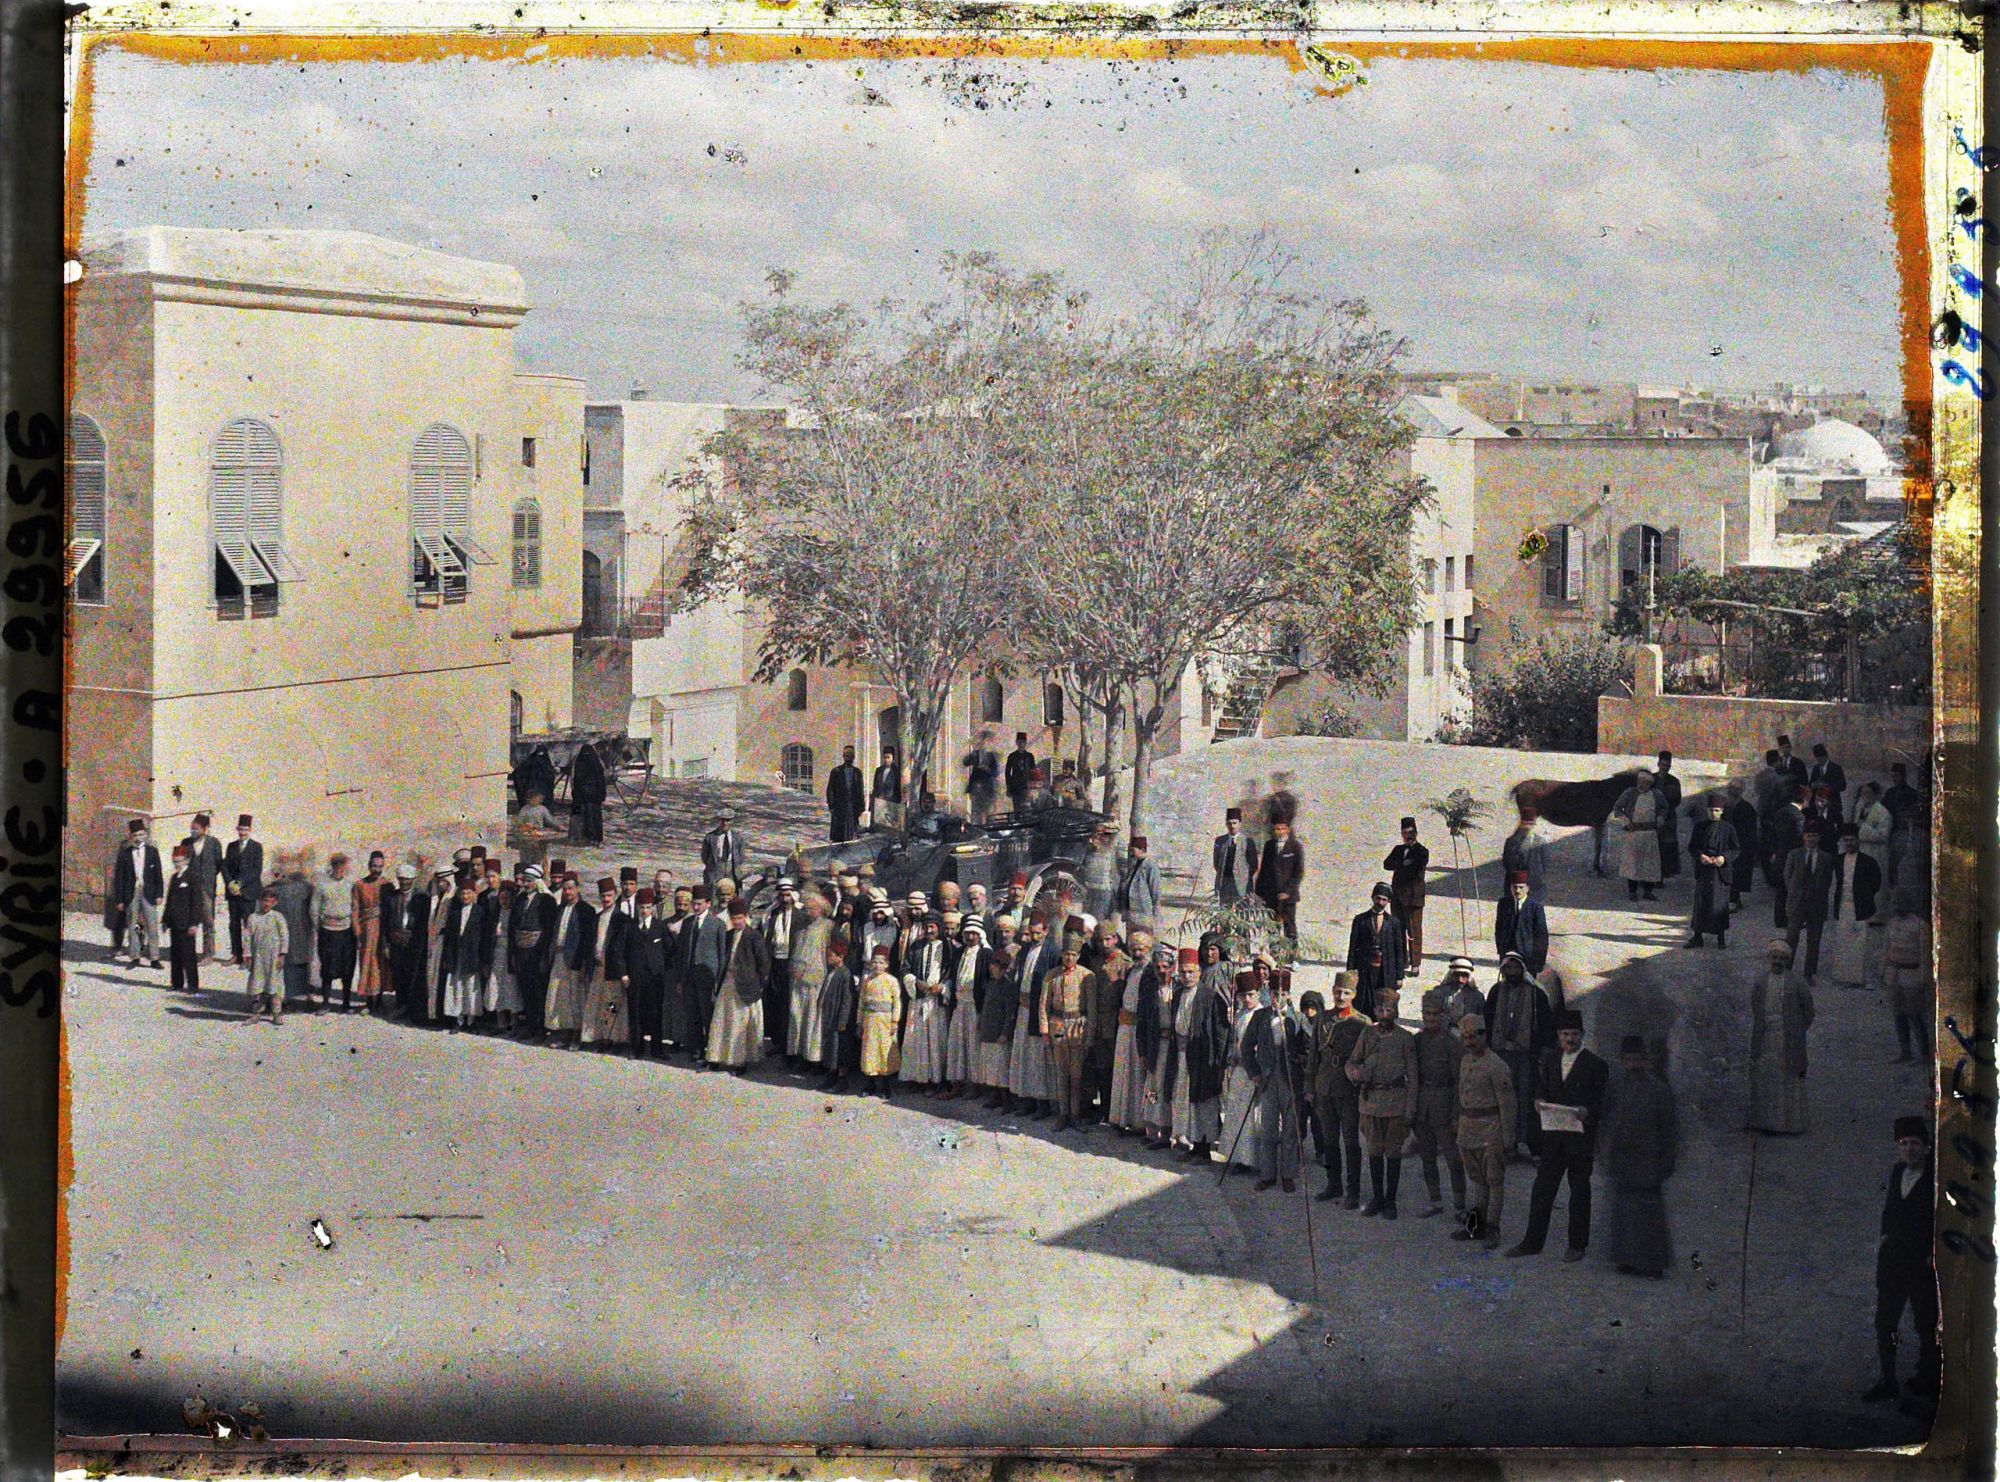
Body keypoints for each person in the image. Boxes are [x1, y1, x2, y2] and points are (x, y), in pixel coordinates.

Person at [1506, 1009, 1608, 1261]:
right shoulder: (1551, 1060)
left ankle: (1577, 1245)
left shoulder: (1596, 1065)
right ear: (1558, 1036)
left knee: (1579, 1193)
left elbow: (1601, 1103)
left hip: (1579, 1140)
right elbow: (1542, 1088)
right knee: (1542, 1190)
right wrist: (1538, 1101)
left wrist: (1588, 1112)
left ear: (1582, 1035)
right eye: (1565, 1034)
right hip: (1553, 1138)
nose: (1569, 1039)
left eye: (1574, 1034)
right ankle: (1532, 1242)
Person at [1866, 1116, 1939, 1402]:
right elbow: (1890, 1211)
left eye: (1915, 1144)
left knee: (1925, 1325)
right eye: (1904, 1144)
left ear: (1926, 1147)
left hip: (1920, 1268)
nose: (1909, 1149)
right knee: (1887, 1324)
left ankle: (1928, 1379)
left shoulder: (1935, 1178)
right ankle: (1889, 1378)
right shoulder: (1897, 1173)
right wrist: (1885, 1237)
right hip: (1893, 1265)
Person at [1599, 1035, 1678, 1278]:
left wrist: (1666, 1162)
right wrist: (1606, 1152)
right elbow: (1606, 1119)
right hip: (1623, 1157)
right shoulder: (1616, 1086)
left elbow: (1669, 1130)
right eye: (1628, 1059)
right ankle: (1626, 1259)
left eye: (1638, 1059)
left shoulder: (1659, 1090)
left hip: (1649, 1159)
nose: (1633, 1064)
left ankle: (1653, 1264)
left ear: (1646, 1061)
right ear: (1623, 1061)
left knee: (1649, 1214)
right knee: (1624, 1212)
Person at [1347, 985, 1420, 1217]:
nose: (1384, 1014)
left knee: (1393, 1153)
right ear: (1375, 1012)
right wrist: (1354, 1073)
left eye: (1389, 1009)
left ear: (1396, 1011)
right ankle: (1377, 1198)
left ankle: (1390, 1200)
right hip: (1371, 1103)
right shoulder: (1367, 1034)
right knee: (1375, 1152)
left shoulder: (1405, 1038)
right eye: (1380, 1010)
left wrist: (1410, 1110)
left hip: (1395, 1104)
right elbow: (1352, 1061)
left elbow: (1413, 1078)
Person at [1484, 952, 1555, 1158]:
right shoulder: (1496, 991)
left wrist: (1543, 1051)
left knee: (1528, 1099)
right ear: (1503, 970)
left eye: (1516, 968)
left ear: (1522, 970)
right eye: (1508, 969)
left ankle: (1534, 1147)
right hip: (1502, 1055)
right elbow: (1488, 1021)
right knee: (1504, 1100)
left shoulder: (1535, 995)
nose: (1512, 972)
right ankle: (1508, 1145)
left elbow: (1546, 1025)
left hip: (1527, 1057)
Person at [1454, 1015, 1515, 1248]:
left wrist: (1508, 1139)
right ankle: (1474, 1227)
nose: (1469, 1042)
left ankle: (1493, 1228)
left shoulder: (1496, 1066)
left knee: (1494, 1181)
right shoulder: (1465, 1061)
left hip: (1491, 1131)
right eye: (1465, 1037)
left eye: (1473, 1037)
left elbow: (1508, 1104)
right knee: (1477, 1181)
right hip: (1468, 1131)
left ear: (1484, 1035)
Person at [1245, 970, 1308, 1193]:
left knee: (1291, 1131)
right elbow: (1246, 1046)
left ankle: (1288, 1175)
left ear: (1289, 995)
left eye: (1282, 994)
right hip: (1268, 1081)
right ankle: (1268, 1174)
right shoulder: (1261, 1017)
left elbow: (1309, 1047)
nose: (1277, 998)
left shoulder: (1298, 1018)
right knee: (1268, 1130)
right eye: (1274, 993)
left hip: (1291, 1081)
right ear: (1268, 994)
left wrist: (1301, 1058)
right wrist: (1253, 1071)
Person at [1748, 939, 1815, 1134]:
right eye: (1774, 957)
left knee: (1789, 1079)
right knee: (1767, 1078)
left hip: (1789, 1039)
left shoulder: (1796, 982)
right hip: (1767, 1038)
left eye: (1781, 958)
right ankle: (1766, 1123)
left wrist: (1797, 1031)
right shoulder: (1761, 982)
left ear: (1787, 961)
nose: (1777, 961)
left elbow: (1808, 1011)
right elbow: (1756, 1008)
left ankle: (1789, 1125)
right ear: (1768, 959)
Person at [1172, 946, 1230, 1161]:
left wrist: (1218, 1062)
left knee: (1205, 1102)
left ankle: (1205, 1150)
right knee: (1190, 1101)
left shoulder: (1210, 996)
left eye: (1191, 972)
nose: (1187, 976)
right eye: (1183, 972)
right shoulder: (1178, 995)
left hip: (1204, 1058)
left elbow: (1221, 1032)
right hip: (1183, 1053)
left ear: (1199, 972)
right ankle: (1195, 1146)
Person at [1412, 998, 1466, 1220]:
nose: (1431, 1018)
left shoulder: (1452, 1043)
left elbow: (1458, 1081)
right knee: (1427, 1157)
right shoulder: (1417, 1041)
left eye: (1436, 1014)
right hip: (1422, 1105)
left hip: (1444, 1105)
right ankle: (1435, 1200)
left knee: (1454, 1159)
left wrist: (1456, 1115)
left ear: (1444, 1015)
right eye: (1427, 1014)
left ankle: (1460, 1205)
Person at [1039, 932, 1095, 1131]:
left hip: (1078, 1027)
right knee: (1061, 1072)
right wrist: (1045, 1031)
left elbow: (1092, 1009)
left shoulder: (1087, 976)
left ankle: (1075, 1115)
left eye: (1073, 954)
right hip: (1059, 1027)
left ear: (1078, 955)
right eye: (1066, 954)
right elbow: (1043, 1004)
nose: (1069, 958)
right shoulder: (1051, 975)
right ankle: (1063, 1115)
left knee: (1076, 1074)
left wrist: (1089, 1036)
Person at [707, 897, 770, 1074]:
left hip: (746, 986)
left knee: (739, 1024)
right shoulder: (728, 935)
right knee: (722, 1021)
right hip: (728, 983)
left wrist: (758, 984)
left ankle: (739, 1061)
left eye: (740, 918)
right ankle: (717, 1057)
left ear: (746, 917)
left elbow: (764, 964)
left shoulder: (754, 936)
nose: (737, 921)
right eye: (734, 918)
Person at [1008, 915, 1058, 1118]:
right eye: (1031, 933)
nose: (1035, 937)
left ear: (1046, 930)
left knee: (1039, 1059)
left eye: (1038, 933)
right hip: (1023, 1010)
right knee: (1024, 1056)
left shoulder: (1052, 952)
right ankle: (1026, 1100)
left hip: (1039, 1013)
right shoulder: (1025, 950)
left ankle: (1042, 1104)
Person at [1104, 928, 1153, 1133]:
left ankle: (1139, 1123)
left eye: (1140, 949)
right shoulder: (1132, 970)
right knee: (1123, 1073)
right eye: (1133, 949)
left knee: (1137, 1076)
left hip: (1138, 1030)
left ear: (1148, 949)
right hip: (1125, 1028)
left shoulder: (1151, 972)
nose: (1136, 953)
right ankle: (1120, 1118)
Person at [1138, 942, 1185, 1149]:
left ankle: (1170, 1132)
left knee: (1171, 1089)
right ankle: (1154, 1131)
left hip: (1174, 1049)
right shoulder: (1149, 991)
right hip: (1156, 1048)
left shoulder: (1180, 991)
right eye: (1157, 968)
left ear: (1172, 968)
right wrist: (1142, 1051)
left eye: (1165, 968)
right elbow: (1142, 1023)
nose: (1161, 972)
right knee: (1154, 1089)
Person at [900, 913, 953, 1093]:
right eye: (926, 927)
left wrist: (943, 987)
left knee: (937, 1041)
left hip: (936, 1002)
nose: (929, 930)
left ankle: (937, 1080)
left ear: (938, 927)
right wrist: (916, 981)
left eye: (933, 926)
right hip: (919, 1000)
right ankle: (920, 1079)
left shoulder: (947, 948)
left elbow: (952, 973)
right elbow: (905, 969)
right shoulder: (916, 946)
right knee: (918, 1040)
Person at [1082, 922, 1129, 1120]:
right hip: (1095, 1020)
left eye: (1108, 939)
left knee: (1111, 1067)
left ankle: (1110, 1109)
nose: (1104, 943)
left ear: (1116, 939)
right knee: (1096, 1065)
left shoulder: (1124, 963)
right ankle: (1095, 1106)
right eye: (1100, 940)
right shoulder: (1094, 962)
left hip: (1114, 1022)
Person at [1829, 824, 1884, 991]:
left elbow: (1876, 883)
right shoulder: (1838, 861)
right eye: (1846, 841)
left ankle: (1863, 978)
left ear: (1858, 841)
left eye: (1852, 840)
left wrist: (1864, 897)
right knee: (1844, 942)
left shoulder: (1868, 861)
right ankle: (1845, 977)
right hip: (1843, 906)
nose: (1849, 843)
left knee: (1861, 944)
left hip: (1861, 907)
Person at [543, 874, 596, 1050]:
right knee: (559, 997)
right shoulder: (560, 909)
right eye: (565, 889)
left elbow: (587, 941)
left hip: (575, 960)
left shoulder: (586, 910)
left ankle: (576, 1036)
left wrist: (583, 965)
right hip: (558, 957)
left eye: (571, 888)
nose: (567, 892)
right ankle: (563, 1033)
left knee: (575, 998)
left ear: (577, 888)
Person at [678, 885, 729, 1062]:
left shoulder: (717, 925)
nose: (696, 907)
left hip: (708, 978)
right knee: (692, 1015)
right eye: (694, 904)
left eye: (699, 904)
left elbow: (722, 955)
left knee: (708, 1015)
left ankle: (711, 1050)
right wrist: (681, 978)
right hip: (689, 977)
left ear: (708, 903)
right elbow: (681, 952)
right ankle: (696, 1048)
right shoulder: (687, 923)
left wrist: (718, 981)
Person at [1881, 890, 1932, 1065]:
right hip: (1895, 974)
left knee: (1916, 1016)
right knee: (1899, 1015)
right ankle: (1905, 1051)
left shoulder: (1920, 926)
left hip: (1913, 975)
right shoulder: (1892, 924)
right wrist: (1883, 971)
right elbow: (1887, 949)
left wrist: (1925, 978)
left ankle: (1925, 1055)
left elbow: (1926, 955)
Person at [1782, 819, 1837, 983]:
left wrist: (1817, 895)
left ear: (1819, 838)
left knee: (1814, 939)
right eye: (1808, 836)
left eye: (1814, 836)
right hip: (1797, 902)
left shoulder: (1826, 858)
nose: (1811, 839)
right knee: (1791, 937)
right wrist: (1794, 892)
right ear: (1803, 837)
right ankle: (1786, 969)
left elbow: (1827, 882)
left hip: (1816, 903)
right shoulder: (1794, 854)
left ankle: (1809, 973)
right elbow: (1787, 876)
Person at [786, 888, 835, 1070]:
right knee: (796, 1016)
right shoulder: (801, 927)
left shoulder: (828, 927)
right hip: (797, 979)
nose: (808, 912)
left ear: (821, 909)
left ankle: (813, 1058)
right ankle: (797, 1053)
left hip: (816, 978)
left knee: (812, 1019)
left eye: (812, 908)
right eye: (806, 908)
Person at [510, 865, 560, 1041]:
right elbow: (513, 927)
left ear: (537, 881)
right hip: (521, 950)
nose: (526, 884)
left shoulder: (547, 900)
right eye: (524, 880)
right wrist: (513, 954)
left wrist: (545, 955)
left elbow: (548, 930)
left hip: (537, 952)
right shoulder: (520, 899)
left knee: (539, 990)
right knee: (525, 989)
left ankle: (540, 1029)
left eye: (529, 881)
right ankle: (530, 1026)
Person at [580, 877, 630, 1049]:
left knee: (612, 1004)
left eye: (609, 896)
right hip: (598, 968)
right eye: (603, 896)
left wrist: (623, 971)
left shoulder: (622, 919)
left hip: (613, 970)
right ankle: (599, 1036)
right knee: (597, 1002)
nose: (606, 899)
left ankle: (614, 1038)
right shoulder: (597, 918)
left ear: (615, 895)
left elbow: (623, 949)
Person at [1345, 883, 1406, 1019]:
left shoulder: (1393, 923)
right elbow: (1353, 948)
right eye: (1378, 898)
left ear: (1388, 902)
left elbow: (1399, 950)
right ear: (1372, 898)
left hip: (1385, 971)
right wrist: (1350, 972)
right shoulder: (1360, 920)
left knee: (1384, 1002)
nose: (1380, 902)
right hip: (1365, 969)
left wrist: (1399, 976)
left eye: (1384, 900)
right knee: (1363, 1001)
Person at [946, 917, 993, 1096]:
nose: (970, 936)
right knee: (957, 1044)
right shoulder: (959, 953)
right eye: (967, 933)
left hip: (975, 1005)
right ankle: (957, 1085)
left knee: (973, 1046)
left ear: (980, 935)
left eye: (973, 933)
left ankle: (974, 1086)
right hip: (960, 1004)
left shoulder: (985, 954)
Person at [623, 889, 671, 1060]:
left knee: (655, 1012)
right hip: (635, 977)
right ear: (637, 907)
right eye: (642, 907)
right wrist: (624, 974)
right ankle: (636, 1048)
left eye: (648, 907)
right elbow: (620, 952)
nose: (644, 911)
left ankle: (657, 1049)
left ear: (653, 908)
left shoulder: (660, 927)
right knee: (636, 1013)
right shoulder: (629, 927)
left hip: (655, 978)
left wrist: (662, 969)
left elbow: (670, 950)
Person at [1686, 793, 1739, 949]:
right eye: (1710, 810)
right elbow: (1692, 847)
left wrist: (1724, 858)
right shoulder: (1700, 827)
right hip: (1704, 870)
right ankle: (1697, 937)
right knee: (1701, 904)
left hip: (1720, 872)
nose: (1713, 813)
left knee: (1719, 906)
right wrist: (1700, 856)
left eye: (1716, 810)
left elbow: (1736, 849)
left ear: (1722, 811)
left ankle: (1720, 939)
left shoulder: (1728, 828)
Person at [111, 819, 165, 969]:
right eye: (135, 835)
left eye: (141, 834)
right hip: (131, 893)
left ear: (145, 835)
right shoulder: (125, 854)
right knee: (134, 925)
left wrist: (159, 894)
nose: (138, 837)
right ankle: (135, 956)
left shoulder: (152, 852)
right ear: (130, 836)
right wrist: (120, 900)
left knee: (151, 925)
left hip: (148, 892)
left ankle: (154, 958)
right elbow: (119, 879)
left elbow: (158, 875)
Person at [439, 878, 490, 1032]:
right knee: (456, 987)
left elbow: (484, 938)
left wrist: (483, 959)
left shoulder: (480, 912)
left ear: (474, 894)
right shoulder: (454, 913)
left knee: (471, 988)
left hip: (472, 956)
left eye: (469, 893)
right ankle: (458, 1020)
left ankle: (471, 1020)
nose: (466, 896)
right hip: (457, 956)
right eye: (463, 893)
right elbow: (448, 938)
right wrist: (447, 957)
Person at [311, 854, 358, 1012]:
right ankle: (325, 1003)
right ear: (332, 866)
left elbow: (356, 907)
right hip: (328, 931)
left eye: (343, 866)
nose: (340, 869)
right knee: (327, 968)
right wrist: (319, 928)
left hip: (346, 931)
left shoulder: (350, 884)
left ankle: (345, 1003)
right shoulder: (322, 884)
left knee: (347, 968)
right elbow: (314, 909)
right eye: (337, 866)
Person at [1383, 818, 1429, 975]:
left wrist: (1401, 864)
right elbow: (1387, 864)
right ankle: (1402, 961)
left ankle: (1415, 964)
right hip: (1397, 896)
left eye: (1410, 833)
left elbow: (1417, 867)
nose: (1407, 836)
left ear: (1415, 833)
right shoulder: (1398, 849)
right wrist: (1404, 862)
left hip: (1413, 898)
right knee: (1398, 929)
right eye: (1404, 833)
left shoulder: (1422, 851)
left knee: (1414, 931)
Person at [383, 863, 428, 1022]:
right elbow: (385, 922)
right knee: (397, 974)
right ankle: (400, 1004)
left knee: (412, 974)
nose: (403, 883)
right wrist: (386, 944)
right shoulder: (392, 898)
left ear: (413, 880)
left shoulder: (421, 897)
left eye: (407, 880)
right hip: (396, 941)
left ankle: (411, 1007)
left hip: (413, 942)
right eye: (401, 880)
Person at [218, 814, 265, 966]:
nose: (242, 832)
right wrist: (230, 883)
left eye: (245, 829)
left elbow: (256, 870)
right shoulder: (231, 846)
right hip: (233, 893)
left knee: (249, 924)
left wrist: (240, 884)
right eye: (240, 829)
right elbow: (225, 866)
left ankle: (249, 957)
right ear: (237, 829)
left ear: (250, 830)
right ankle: (236, 955)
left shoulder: (256, 847)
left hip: (248, 892)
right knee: (234, 924)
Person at [1612, 770, 1665, 901]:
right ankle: (1632, 892)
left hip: (1650, 833)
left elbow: (1664, 807)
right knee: (1633, 863)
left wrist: (1661, 818)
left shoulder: (1656, 795)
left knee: (1650, 864)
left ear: (1650, 784)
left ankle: (1648, 891)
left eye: (1645, 783)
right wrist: (1626, 821)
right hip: (1634, 833)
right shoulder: (1630, 793)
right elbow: (1617, 808)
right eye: (1639, 782)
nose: (1641, 785)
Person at [858, 943, 903, 1094]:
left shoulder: (891, 981)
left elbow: (897, 1002)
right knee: (870, 1052)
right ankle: (869, 1085)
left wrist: (895, 1021)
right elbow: (861, 1003)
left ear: (887, 965)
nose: (877, 965)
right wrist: (859, 1022)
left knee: (884, 1052)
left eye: (881, 962)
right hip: (870, 1021)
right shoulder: (867, 981)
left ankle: (885, 1086)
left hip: (885, 1021)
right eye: (875, 962)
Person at [179, 813, 225, 961]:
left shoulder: (214, 843)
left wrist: (207, 878)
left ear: (205, 829)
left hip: (206, 889)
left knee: (208, 922)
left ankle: (208, 954)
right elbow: (180, 863)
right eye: (191, 828)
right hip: (189, 888)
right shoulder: (185, 842)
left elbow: (218, 865)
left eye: (196, 829)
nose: (193, 831)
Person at [1254, 818, 1305, 940]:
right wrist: (1258, 893)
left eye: (1282, 828)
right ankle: (1274, 955)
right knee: (1272, 927)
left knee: (1290, 927)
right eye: (1277, 829)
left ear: (1288, 830)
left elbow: (1298, 872)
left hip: (1288, 896)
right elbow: (1264, 870)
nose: (1280, 831)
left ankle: (1291, 956)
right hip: (1271, 895)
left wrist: (1287, 891)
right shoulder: (1269, 845)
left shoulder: (1295, 846)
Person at [244, 886, 289, 1023]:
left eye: (270, 901)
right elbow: (247, 938)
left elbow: (284, 936)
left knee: (274, 984)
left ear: (275, 903)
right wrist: (248, 956)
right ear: (260, 901)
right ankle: (256, 1013)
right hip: (258, 957)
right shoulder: (253, 918)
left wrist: (282, 954)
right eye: (264, 900)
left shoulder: (277, 917)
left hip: (274, 957)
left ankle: (276, 1013)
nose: (267, 904)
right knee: (257, 985)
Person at [162, 845, 202, 994]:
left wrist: (194, 923)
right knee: (176, 954)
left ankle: (193, 985)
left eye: (179, 861)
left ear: (186, 860)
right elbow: (170, 899)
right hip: (174, 921)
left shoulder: (193, 877)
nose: (177, 864)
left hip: (187, 923)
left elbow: (197, 902)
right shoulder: (174, 877)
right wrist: (165, 919)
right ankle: (177, 982)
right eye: (174, 862)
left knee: (189, 955)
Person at [353, 851, 389, 1009]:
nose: (377, 869)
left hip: (382, 928)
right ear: (369, 866)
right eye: (374, 866)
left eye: (380, 866)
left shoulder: (387, 884)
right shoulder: (360, 885)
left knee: (380, 961)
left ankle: (379, 999)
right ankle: (368, 999)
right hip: (366, 929)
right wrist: (357, 930)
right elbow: (355, 909)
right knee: (367, 961)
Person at [1882, 762, 1925, 890]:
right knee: (1891, 860)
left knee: (1901, 861)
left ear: (1903, 776)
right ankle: (1892, 886)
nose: (1894, 779)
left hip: (1904, 832)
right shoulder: (1890, 793)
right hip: (1891, 831)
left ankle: (1899, 887)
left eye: (1896, 776)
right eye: (1893, 776)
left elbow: (1916, 814)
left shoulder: (1912, 794)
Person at [1494, 872, 1549, 973]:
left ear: (1527, 888)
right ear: (1511, 888)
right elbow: (1499, 928)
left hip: (1528, 956)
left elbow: (1541, 936)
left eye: (1521, 887)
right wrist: (1501, 950)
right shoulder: (1504, 904)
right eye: (1515, 887)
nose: (1517, 891)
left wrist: (1539, 961)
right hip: (1508, 954)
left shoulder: (1535, 907)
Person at [1764, 784, 1806, 901]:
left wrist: (1773, 851)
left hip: (1779, 853)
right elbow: (1799, 837)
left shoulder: (1780, 813)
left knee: (1781, 889)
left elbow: (1772, 835)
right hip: (1793, 855)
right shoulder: (1799, 816)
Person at [1500, 803, 1549, 901]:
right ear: (1521, 824)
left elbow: (1544, 863)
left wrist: (1537, 875)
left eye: (1531, 824)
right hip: (1514, 886)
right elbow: (1506, 863)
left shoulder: (1540, 842)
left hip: (1535, 886)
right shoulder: (1511, 841)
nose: (1528, 827)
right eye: (1525, 824)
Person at [1423, 957, 1485, 1034]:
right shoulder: (1439, 993)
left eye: (1464, 976)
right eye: (1457, 975)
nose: (1460, 979)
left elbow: (1482, 1022)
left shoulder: (1477, 996)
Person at [1115, 835, 1163, 932]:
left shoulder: (1150, 865)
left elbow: (1155, 889)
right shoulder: (1136, 864)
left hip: (1143, 912)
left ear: (1142, 849)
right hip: (1132, 912)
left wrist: (1155, 912)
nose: (1131, 853)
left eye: (1134, 850)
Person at [1212, 808, 1259, 907]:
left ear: (1240, 824)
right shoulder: (1220, 841)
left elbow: (1254, 865)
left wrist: (1242, 875)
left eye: (1234, 823)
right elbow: (1217, 864)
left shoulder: (1248, 841)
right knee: (1225, 913)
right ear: (1226, 824)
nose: (1232, 826)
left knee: (1242, 913)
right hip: (1225, 884)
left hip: (1242, 884)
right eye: (1229, 823)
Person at [1725, 783, 1760, 909]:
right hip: (1731, 845)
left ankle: (1734, 900)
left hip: (1742, 845)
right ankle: (1734, 899)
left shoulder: (1746, 808)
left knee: (1737, 873)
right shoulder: (1727, 807)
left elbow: (1751, 830)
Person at [569, 740, 609, 845]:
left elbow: (575, 780)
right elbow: (601, 781)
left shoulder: (580, 762)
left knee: (578, 815)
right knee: (593, 816)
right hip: (593, 797)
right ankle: (594, 838)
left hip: (581, 796)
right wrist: (601, 795)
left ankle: (578, 837)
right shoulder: (596, 765)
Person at [701, 808, 748, 893]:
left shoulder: (738, 838)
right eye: (722, 820)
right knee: (713, 894)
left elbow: (741, 856)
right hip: (715, 870)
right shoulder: (710, 837)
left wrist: (735, 867)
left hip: (732, 870)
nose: (725, 823)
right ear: (719, 821)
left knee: (731, 894)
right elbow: (704, 856)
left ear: (732, 821)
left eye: (728, 820)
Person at [1080, 824, 1120, 923]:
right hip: (1088, 890)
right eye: (1095, 835)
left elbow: (1116, 830)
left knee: (1099, 920)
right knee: (1088, 920)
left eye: (1099, 835)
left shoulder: (1109, 849)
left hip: (1103, 890)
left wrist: (1105, 827)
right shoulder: (1088, 851)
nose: (1096, 838)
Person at [1653, 750, 1684, 880]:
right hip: (1653, 817)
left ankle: (1664, 874)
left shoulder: (1674, 781)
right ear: (1658, 764)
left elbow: (1677, 800)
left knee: (1667, 846)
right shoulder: (1652, 780)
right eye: (1663, 765)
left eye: (1667, 765)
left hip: (1669, 818)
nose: (1665, 768)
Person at [825, 745, 866, 843]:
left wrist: (861, 806)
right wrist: (831, 806)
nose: (848, 757)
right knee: (839, 832)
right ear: (843, 756)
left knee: (852, 832)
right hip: (840, 807)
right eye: (846, 755)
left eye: (850, 755)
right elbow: (830, 790)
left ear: (853, 757)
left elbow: (860, 790)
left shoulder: (857, 772)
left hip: (852, 807)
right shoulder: (836, 771)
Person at [962, 730, 1001, 825]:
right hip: (976, 789)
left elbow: (995, 772)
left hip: (987, 788)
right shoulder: (976, 754)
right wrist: (974, 752)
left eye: (986, 740)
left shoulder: (992, 755)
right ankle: (977, 831)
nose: (984, 742)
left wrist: (986, 769)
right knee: (976, 813)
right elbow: (965, 762)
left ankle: (990, 832)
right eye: (982, 739)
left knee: (988, 814)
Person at [870, 746, 904, 832]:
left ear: (893, 758)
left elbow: (897, 789)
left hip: (891, 803)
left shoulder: (896, 772)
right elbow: (875, 786)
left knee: (889, 827)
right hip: (879, 802)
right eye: (885, 757)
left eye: (888, 757)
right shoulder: (879, 770)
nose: (886, 760)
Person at [1003, 732, 1036, 817]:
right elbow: (1007, 772)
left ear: (1025, 743)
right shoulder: (1012, 756)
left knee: (1026, 809)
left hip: (1026, 786)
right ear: (1017, 743)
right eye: (1019, 742)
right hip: (1015, 786)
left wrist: (1033, 786)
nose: (1021, 744)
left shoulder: (1029, 756)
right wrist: (1008, 787)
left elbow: (1033, 771)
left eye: (1023, 742)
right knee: (1017, 810)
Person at [1809, 743, 1847, 810]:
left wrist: (1827, 786)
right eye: (1817, 758)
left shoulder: (1836, 768)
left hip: (1832, 804)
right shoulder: (1816, 768)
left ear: (1826, 756)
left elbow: (1843, 786)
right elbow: (1810, 783)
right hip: (1817, 804)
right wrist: (1813, 785)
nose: (1819, 760)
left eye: (1820, 757)